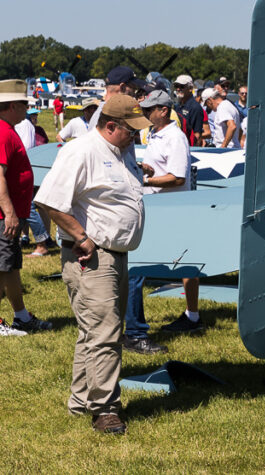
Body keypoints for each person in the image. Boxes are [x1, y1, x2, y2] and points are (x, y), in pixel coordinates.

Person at [34, 94, 150, 434]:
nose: (136, 136)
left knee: (95, 331)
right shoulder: (80, 150)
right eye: (131, 130)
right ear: (110, 126)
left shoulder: (121, 152)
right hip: (92, 255)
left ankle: (81, 401)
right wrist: (82, 238)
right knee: (105, 333)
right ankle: (105, 409)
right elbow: (49, 202)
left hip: (115, 255)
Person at [123, 90, 195, 354]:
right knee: (138, 269)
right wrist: (147, 169)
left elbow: (177, 177)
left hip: (169, 210)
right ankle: (134, 330)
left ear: (164, 110)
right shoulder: (155, 134)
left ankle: (135, 332)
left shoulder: (175, 137)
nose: (145, 113)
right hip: (156, 207)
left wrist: (145, 180)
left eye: (149, 109)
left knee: (141, 269)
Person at [0, 80, 54, 336]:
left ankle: (21, 316)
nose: (27, 109)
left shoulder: (7, 130)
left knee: (9, 266)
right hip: (4, 215)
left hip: (9, 215)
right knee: (4, 266)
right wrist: (10, 213)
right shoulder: (3, 132)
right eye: (24, 104)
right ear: (11, 106)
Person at [172, 75, 206, 146]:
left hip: (187, 148)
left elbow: (197, 135)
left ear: (190, 88)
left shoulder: (195, 107)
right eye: (176, 86)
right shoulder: (177, 106)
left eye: (182, 86)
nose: (178, 89)